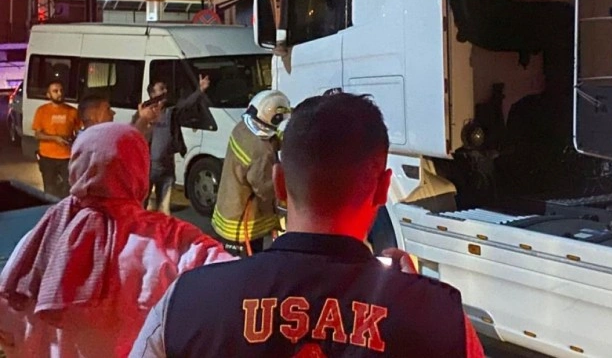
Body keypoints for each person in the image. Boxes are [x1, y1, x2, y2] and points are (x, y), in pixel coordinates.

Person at [131, 92, 485, 357]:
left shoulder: (187, 301)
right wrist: (413, 295)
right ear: (382, 188)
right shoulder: (440, 318)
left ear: (280, 184)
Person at [0, 122, 235, 358]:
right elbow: (236, 288)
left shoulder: (40, 241)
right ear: (139, 170)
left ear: (75, 168)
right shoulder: (173, 241)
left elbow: (8, 326)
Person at [211, 89, 291, 256]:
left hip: (226, 212)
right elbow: (266, 190)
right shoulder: (260, 151)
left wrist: (291, 139)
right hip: (242, 227)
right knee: (246, 267)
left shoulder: (242, 128)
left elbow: (271, 136)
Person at [134, 74, 211, 215]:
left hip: (167, 166)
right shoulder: (144, 113)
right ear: (152, 94)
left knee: (164, 210)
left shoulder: (171, 111)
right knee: (141, 206)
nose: (165, 91)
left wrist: (200, 90)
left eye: (165, 88)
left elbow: (186, 104)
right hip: (148, 167)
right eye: (161, 89)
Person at [31, 80, 81, 198]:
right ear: (48, 95)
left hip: (67, 157)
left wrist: (74, 140)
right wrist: (55, 138)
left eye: (61, 90)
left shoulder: (72, 111)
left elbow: (79, 131)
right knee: (50, 189)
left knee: (69, 188)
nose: (59, 93)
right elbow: (37, 135)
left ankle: (66, 208)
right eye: (55, 91)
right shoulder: (42, 111)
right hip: (47, 156)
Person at [77, 93, 163, 133]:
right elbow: (131, 140)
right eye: (107, 109)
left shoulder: (104, 134)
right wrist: (144, 118)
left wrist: (146, 119)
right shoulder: (91, 140)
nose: (113, 112)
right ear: (92, 115)